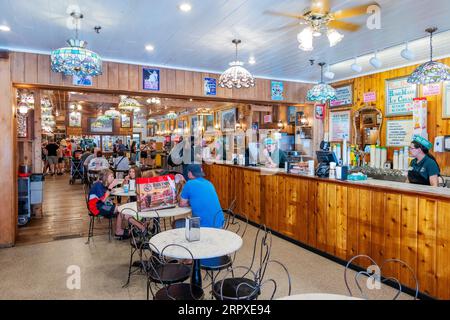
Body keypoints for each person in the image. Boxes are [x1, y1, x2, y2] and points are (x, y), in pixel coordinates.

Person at [88, 169, 148, 240]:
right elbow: (103, 199)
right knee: (122, 210)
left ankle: (132, 228)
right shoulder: (98, 185)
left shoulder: (100, 184)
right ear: (105, 177)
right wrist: (110, 187)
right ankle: (140, 227)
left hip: (101, 205)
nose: (113, 178)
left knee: (122, 209)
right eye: (111, 176)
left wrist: (109, 189)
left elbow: (103, 195)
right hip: (96, 208)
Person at [178, 164, 224, 228]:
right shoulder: (209, 183)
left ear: (190, 173)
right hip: (220, 224)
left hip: (205, 227)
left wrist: (182, 183)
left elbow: (181, 204)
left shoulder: (189, 183)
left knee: (177, 223)